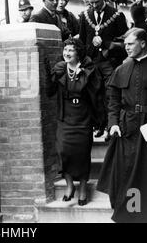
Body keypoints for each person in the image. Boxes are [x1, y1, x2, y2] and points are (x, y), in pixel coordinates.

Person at [96, 28, 147, 223]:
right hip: (127, 131)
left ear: (143, 43)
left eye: (130, 44)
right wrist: (113, 124)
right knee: (125, 173)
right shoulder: (121, 70)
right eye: (125, 45)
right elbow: (113, 102)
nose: (126, 48)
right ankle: (128, 217)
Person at [46, 38, 105, 206]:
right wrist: (49, 76)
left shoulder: (89, 69)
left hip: (83, 116)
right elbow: (49, 91)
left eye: (71, 50)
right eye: (65, 50)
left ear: (78, 52)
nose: (67, 53)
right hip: (66, 117)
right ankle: (70, 185)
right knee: (63, 151)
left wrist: (100, 120)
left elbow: (97, 94)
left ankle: (83, 188)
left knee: (82, 153)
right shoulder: (60, 69)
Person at [79, 0, 128, 138]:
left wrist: (105, 43)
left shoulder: (116, 15)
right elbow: (81, 40)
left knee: (110, 93)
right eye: (91, 2)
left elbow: (124, 40)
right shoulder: (84, 15)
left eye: (97, 2)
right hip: (92, 61)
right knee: (94, 94)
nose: (94, 5)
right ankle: (98, 125)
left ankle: (110, 125)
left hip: (110, 61)